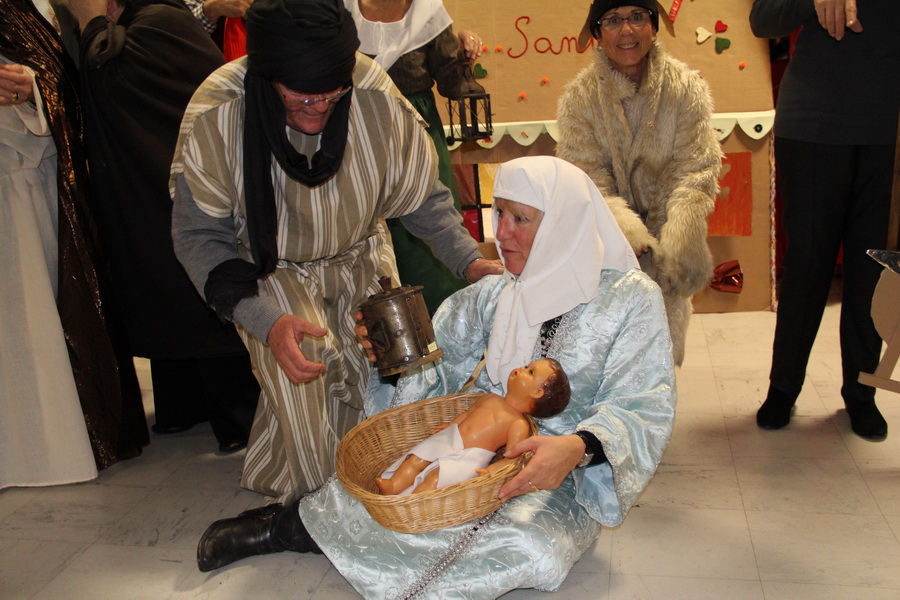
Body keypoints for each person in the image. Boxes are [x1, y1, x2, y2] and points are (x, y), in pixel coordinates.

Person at [195, 156, 676, 599]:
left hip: (554, 475)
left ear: (562, 224)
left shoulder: (630, 299)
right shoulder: (495, 293)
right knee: (387, 487)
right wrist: (391, 356)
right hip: (469, 442)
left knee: (532, 548)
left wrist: (576, 448)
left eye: (521, 219)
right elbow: (435, 364)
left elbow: (642, 402)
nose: (502, 232)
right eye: (499, 213)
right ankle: (289, 527)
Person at [170, 0, 500, 504]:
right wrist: (265, 321)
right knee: (308, 369)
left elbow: (422, 198)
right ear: (265, 78)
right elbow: (198, 238)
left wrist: (469, 260)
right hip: (271, 272)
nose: (319, 109)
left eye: (332, 95)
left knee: (396, 379)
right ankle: (323, 508)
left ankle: (389, 487)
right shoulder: (217, 112)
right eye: (301, 97)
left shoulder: (372, 92)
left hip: (362, 255)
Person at [63, 0, 260, 453]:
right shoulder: (137, 25)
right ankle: (183, 405)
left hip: (177, 184)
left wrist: (91, 22)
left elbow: (109, 76)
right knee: (160, 288)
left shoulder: (161, 22)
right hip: (144, 180)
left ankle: (236, 416)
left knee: (194, 292)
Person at [1, 0, 149, 488]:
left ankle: (58, 439)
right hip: (16, 178)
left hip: (30, 181)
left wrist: (35, 86)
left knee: (43, 311)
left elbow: (61, 74)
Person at [750, 0, 899, 439]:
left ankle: (861, 393)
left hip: (889, 128)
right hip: (813, 122)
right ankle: (783, 387)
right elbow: (763, 19)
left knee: (874, 270)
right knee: (806, 264)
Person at [555, 0, 722, 366]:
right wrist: (629, 236)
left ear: (654, 26)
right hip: (607, 243)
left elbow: (696, 169)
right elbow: (587, 180)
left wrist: (680, 238)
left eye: (637, 17)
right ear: (598, 34)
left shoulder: (686, 88)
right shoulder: (579, 99)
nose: (627, 30)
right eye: (613, 20)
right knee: (606, 357)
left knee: (659, 357)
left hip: (667, 231)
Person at [345, 0, 494, 313]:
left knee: (430, 219)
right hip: (354, 126)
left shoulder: (428, 11)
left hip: (417, 125)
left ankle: (444, 318)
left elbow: (452, 84)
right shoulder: (339, 10)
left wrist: (462, 55)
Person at [376, 358, 570, 495]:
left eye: (530, 372)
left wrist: (493, 470)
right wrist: (451, 425)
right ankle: (394, 485)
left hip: (470, 457)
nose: (521, 368)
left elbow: (513, 456)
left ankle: (415, 501)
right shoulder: (489, 398)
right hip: (452, 438)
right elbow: (467, 414)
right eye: (527, 366)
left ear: (537, 392)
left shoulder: (518, 424)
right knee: (417, 458)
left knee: (437, 479)